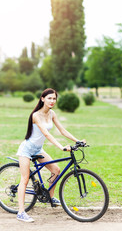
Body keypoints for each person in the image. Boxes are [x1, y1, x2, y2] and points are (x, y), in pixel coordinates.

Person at [16, 88, 86, 222]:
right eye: (49, 98)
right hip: (27, 150)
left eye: (54, 98)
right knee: (24, 179)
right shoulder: (36, 115)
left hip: (38, 149)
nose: (52, 101)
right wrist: (61, 147)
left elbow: (62, 130)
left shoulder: (52, 113)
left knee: (56, 170)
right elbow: (47, 134)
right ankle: (21, 212)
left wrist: (77, 141)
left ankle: (50, 196)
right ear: (42, 99)